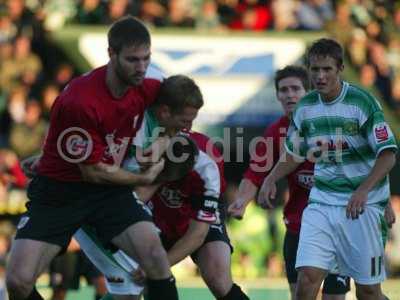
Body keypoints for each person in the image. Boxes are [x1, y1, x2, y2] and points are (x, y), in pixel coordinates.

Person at [6, 16, 179, 300]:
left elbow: (184, 109)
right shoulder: (81, 99)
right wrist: (141, 178)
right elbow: (93, 172)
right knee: (18, 282)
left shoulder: (151, 82)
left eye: (146, 59)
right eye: (132, 60)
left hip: (108, 194)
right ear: (110, 54)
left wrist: (161, 144)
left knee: (156, 258)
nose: (141, 67)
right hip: (60, 193)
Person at [74, 75, 248, 300]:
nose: (188, 125)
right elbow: (135, 197)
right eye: (184, 120)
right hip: (155, 217)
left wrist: (159, 266)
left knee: (218, 278)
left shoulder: (209, 165)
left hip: (193, 218)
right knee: (134, 287)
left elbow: (197, 234)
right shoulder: (143, 140)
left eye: (191, 120)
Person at [258, 38, 397, 300]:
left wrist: (363, 191)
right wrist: (271, 178)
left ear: (340, 68)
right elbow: (295, 153)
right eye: (314, 70)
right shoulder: (305, 107)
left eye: (327, 70)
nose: (320, 76)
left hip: (362, 208)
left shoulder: (362, 102)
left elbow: (388, 155)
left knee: (367, 292)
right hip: (321, 204)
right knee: (307, 282)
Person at [228, 65, 350, 300]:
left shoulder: (333, 124)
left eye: (296, 88)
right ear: (277, 96)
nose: (290, 94)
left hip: (336, 226)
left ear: (309, 92)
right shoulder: (276, 132)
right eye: (284, 90)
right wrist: (242, 201)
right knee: (300, 295)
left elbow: (364, 166)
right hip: (298, 227)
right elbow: (254, 173)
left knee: (335, 297)